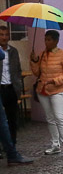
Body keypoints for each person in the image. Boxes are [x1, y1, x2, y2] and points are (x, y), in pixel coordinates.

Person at [31, 29, 63, 155]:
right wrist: (34, 61)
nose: (46, 42)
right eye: (45, 39)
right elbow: (36, 73)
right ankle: (55, 144)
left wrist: (55, 81)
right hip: (42, 90)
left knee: (59, 117)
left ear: (56, 41)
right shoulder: (43, 54)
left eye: (49, 39)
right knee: (50, 118)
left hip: (57, 90)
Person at [0, 26, 31, 164]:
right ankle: (9, 152)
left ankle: (11, 147)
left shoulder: (13, 51)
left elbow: (17, 70)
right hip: (1, 88)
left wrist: (17, 85)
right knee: (2, 122)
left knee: (11, 120)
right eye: (1, 34)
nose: (4, 37)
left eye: (6, 34)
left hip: (11, 88)